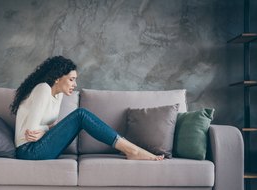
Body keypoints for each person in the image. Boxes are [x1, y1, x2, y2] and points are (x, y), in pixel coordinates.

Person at [10, 56, 164, 161]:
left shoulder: (58, 95)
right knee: (81, 115)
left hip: (41, 147)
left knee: (80, 116)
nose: (74, 85)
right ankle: (132, 151)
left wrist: (44, 130)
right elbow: (30, 132)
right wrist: (45, 130)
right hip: (28, 151)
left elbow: (49, 128)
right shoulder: (43, 89)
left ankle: (131, 150)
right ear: (57, 78)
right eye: (71, 79)